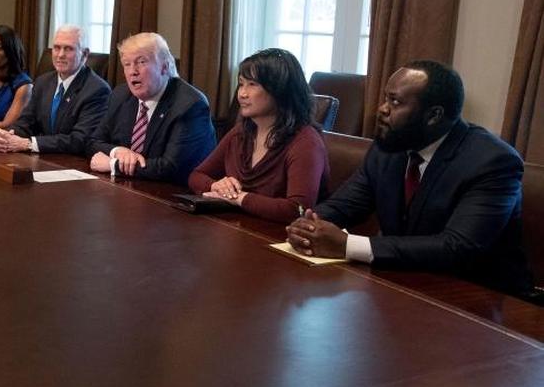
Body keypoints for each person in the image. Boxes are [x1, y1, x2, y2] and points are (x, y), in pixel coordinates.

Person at [287, 60, 535, 296]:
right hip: (403, 282)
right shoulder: (389, 147)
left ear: (434, 115)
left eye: (395, 102)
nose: (382, 109)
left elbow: (457, 247)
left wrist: (348, 245)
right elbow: (345, 204)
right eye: (386, 98)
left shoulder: (493, 162)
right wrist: (309, 225)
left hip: (480, 298)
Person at [188, 48, 329, 223]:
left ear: (279, 90)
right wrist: (216, 185)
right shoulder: (241, 132)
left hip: (279, 241)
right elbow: (196, 176)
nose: (242, 93)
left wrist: (238, 198)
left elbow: (297, 209)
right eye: (241, 83)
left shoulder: (306, 142)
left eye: (252, 84)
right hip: (238, 230)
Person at [87, 32, 216, 183]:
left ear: (164, 67)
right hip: (130, 189)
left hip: (173, 195)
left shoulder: (190, 105)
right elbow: (93, 142)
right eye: (127, 64)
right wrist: (118, 152)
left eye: (141, 62)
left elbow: (170, 167)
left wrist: (114, 165)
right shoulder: (121, 95)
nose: (132, 71)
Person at [0, 24, 111, 155]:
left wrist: (28, 144)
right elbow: (26, 122)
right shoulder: (43, 82)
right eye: (56, 48)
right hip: (43, 158)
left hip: (72, 164)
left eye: (68, 49)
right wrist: (7, 136)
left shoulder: (97, 90)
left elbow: (79, 140)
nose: (60, 55)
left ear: (85, 54)